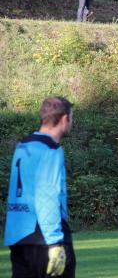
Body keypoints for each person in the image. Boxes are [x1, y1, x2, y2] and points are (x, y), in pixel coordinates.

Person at [4, 97, 76, 277]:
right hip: (44, 238)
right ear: (65, 118)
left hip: (18, 238)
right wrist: (54, 243)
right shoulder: (51, 150)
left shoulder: (22, 146)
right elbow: (47, 195)